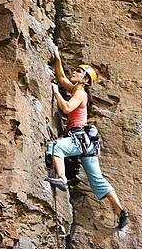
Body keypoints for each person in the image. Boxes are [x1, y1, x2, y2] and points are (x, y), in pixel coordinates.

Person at [45, 46, 129, 230]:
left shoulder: (81, 93)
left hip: (79, 137)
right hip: (88, 143)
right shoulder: (77, 89)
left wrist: (56, 92)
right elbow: (61, 78)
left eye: (79, 71)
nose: (74, 72)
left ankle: (61, 178)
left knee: (55, 148)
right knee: (96, 179)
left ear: (85, 80)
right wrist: (57, 57)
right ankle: (120, 210)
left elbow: (66, 108)